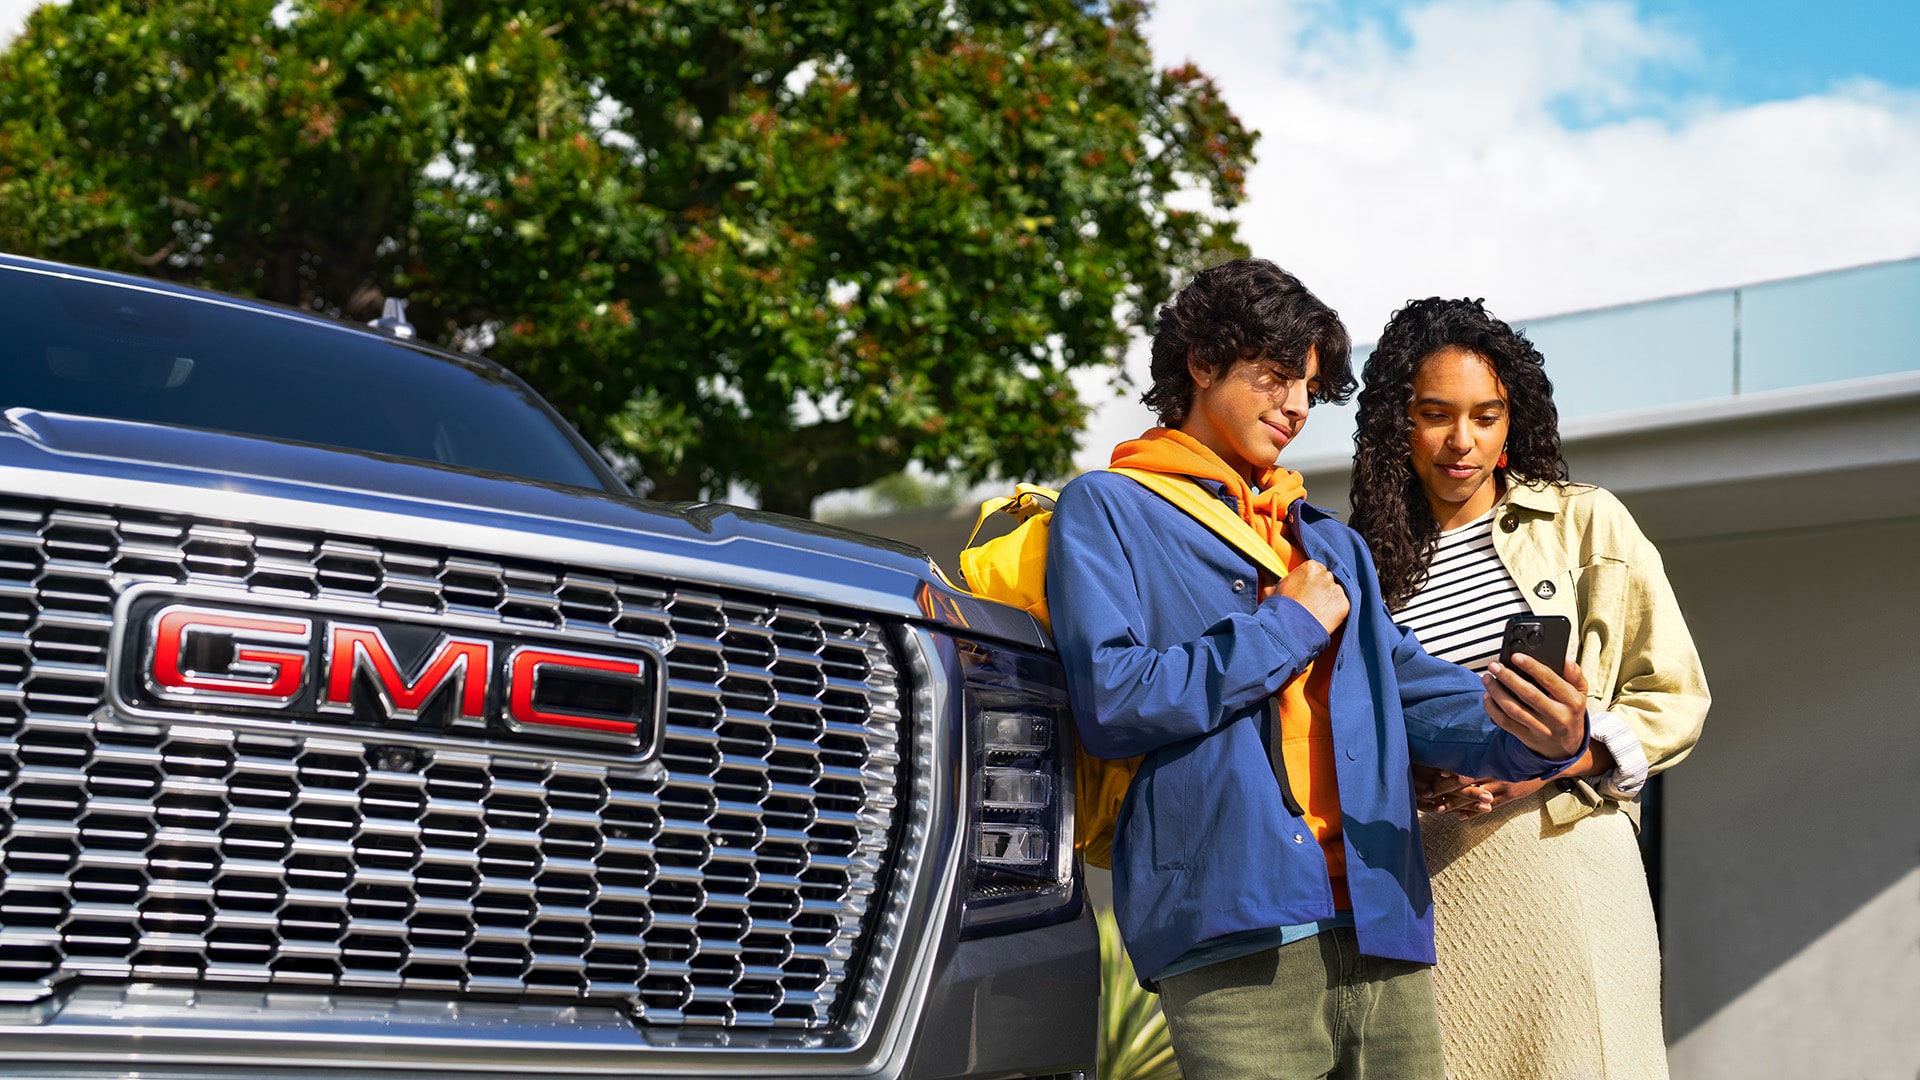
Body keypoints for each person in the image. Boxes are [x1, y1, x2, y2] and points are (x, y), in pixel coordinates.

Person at [1045, 259, 1590, 1079]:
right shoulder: (1107, 508)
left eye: (1308, 387)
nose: (1297, 406)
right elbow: (1116, 699)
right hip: (1232, 931)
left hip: (1382, 916)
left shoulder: (1329, 544)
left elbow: (1407, 689)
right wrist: (1288, 625)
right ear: (1202, 363)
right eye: (1275, 377)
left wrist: (1533, 731)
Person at [1349, 296, 1711, 1080]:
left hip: (1564, 861)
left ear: (1512, 422)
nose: (1463, 441)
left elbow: (1673, 697)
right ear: (1395, 426)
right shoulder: (1363, 569)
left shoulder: (1587, 524)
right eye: (1435, 415)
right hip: (1430, 887)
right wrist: (1417, 774)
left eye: (1486, 416)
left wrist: (1547, 762)